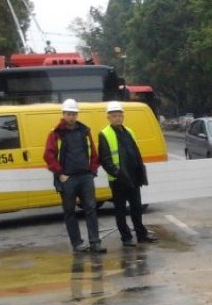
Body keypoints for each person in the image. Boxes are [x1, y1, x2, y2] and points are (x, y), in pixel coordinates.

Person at [44, 98, 106, 253]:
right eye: (69, 113)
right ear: (63, 114)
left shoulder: (85, 131)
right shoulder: (55, 134)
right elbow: (48, 156)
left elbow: (93, 152)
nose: (71, 116)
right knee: (70, 212)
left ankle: (95, 242)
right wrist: (60, 174)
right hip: (68, 179)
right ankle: (77, 244)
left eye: (74, 114)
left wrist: (92, 171)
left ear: (77, 114)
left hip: (85, 177)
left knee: (91, 209)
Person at [97, 101, 158, 247]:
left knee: (136, 208)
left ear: (123, 116)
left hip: (133, 177)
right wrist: (118, 174)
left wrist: (139, 172)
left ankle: (141, 235)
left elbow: (135, 153)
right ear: (109, 117)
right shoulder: (104, 134)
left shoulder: (129, 131)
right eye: (114, 116)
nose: (117, 118)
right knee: (120, 210)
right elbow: (105, 160)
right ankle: (126, 238)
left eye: (119, 115)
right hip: (119, 180)